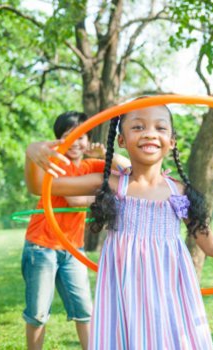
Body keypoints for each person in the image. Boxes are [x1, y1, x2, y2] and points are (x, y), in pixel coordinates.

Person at [28, 104, 213, 350]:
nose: (149, 133)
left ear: (172, 141)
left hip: (169, 296)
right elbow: (39, 186)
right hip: (125, 295)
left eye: (160, 127)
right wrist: (32, 153)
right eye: (137, 126)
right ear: (121, 140)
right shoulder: (108, 183)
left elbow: (212, 245)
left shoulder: (179, 192)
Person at [23, 111, 130, 350]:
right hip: (41, 246)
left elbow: (128, 169)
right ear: (57, 140)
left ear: (89, 139)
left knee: (85, 311)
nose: (76, 141)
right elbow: (74, 200)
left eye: (82, 135)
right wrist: (105, 201)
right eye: (68, 135)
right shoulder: (54, 165)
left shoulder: (92, 164)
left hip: (72, 248)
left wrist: (106, 155)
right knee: (38, 313)